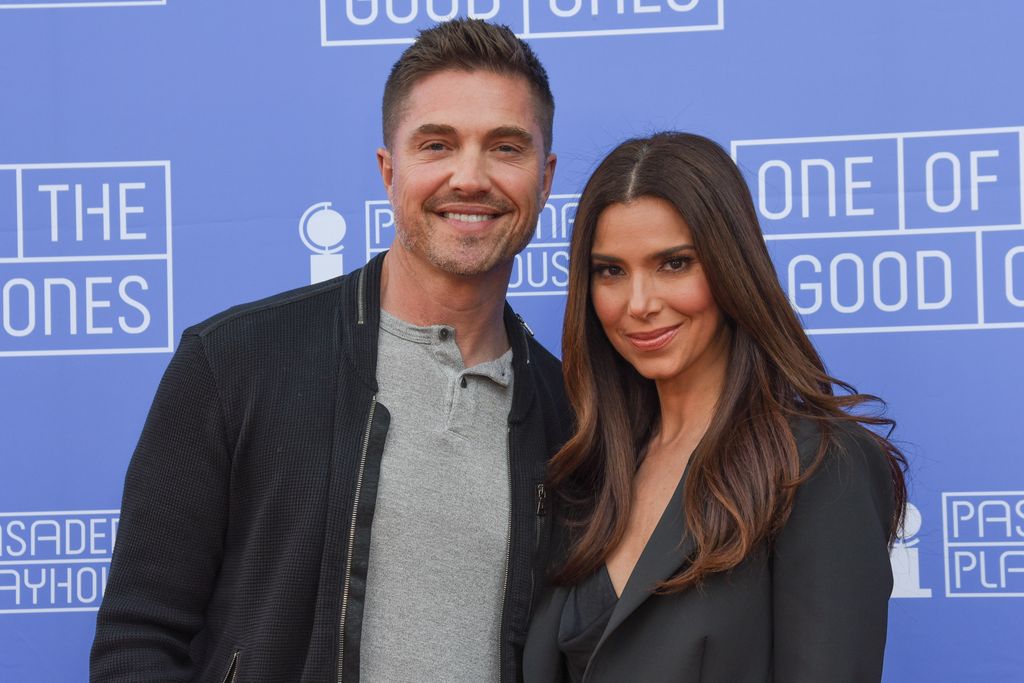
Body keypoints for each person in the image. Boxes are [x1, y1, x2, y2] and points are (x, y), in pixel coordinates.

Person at [91, 19, 571, 683]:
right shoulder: (233, 363)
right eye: (437, 144)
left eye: (505, 147)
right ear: (389, 169)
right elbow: (136, 643)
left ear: (544, 179)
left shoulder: (570, 414)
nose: (470, 176)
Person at [523, 132, 907, 682]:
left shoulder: (820, 467)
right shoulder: (588, 469)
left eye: (674, 264)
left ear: (731, 267)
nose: (639, 304)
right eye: (611, 271)